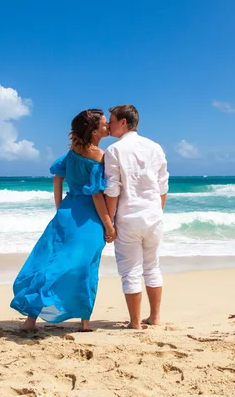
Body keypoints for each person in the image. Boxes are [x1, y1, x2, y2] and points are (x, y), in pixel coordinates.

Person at [10, 109, 116, 332]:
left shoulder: (74, 150)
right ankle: (85, 323)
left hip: (67, 211)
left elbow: (58, 178)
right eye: (105, 124)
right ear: (94, 130)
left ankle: (31, 320)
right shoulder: (99, 155)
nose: (108, 127)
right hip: (88, 218)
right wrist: (109, 225)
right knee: (86, 267)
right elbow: (97, 195)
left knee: (49, 261)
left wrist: (60, 207)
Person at [104, 104, 169, 330]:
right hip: (153, 216)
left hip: (129, 216)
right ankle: (156, 317)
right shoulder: (156, 147)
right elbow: (163, 187)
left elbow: (113, 190)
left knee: (130, 270)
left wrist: (109, 222)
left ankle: (135, 323)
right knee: (152, 266)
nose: (108, 125)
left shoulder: (114, 150)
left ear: (123, 122)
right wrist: (157, 212)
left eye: (111, 120)